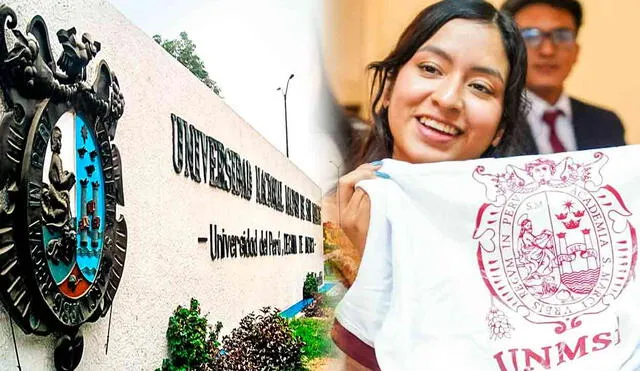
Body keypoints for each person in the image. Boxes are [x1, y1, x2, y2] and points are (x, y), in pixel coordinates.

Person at [330, 0, 529, 369]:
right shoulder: (316, 219)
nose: (448, 98)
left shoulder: (517, 260)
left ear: (501, 127)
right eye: (430, 68)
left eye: (481, 87)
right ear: (389, 87)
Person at [501, 0, 626, 155]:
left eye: (562, 36)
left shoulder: (605, 123)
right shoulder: (495, 123)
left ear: (576, 51)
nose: (547, 50)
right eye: (530, 35)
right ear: (510, 50)